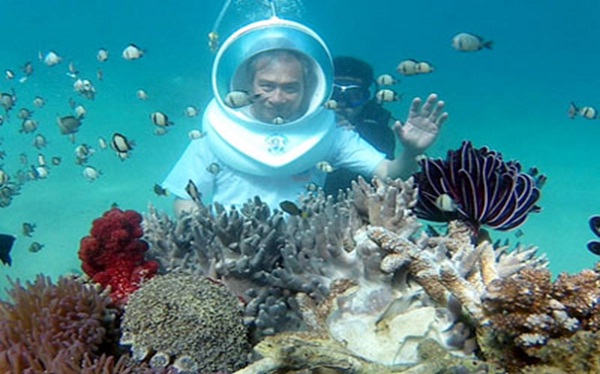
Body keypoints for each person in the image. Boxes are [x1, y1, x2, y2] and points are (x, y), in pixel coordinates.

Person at [162, 27, 447, 217]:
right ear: (247, 82)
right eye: (267, 85)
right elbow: (184, 199)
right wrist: (210, 238)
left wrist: (411, 151)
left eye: (290, 87)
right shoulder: (218, 131)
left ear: (308, 88)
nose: (277, 97)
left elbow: (389, 173)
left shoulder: (329, 132)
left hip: (305, 261)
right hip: (229, 257)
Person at [323, 56, 396, 196]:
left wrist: (412, 151)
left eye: (354, 95)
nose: (342, 103)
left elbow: (389, 173)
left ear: (367, 98)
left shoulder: (378, 131)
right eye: (334, 94)